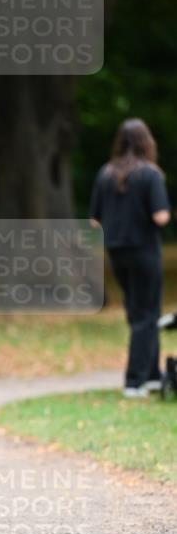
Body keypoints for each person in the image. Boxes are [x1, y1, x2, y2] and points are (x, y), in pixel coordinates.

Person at [90, 117, 172, 398]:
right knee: (147, 315)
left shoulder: (105, 173)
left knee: (138, 313)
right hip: (144, 251)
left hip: (116, 252)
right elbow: (160, 216)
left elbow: (94, 221)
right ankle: (134, 381)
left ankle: (152, 376)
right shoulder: (150, 174)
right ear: (146, 142)